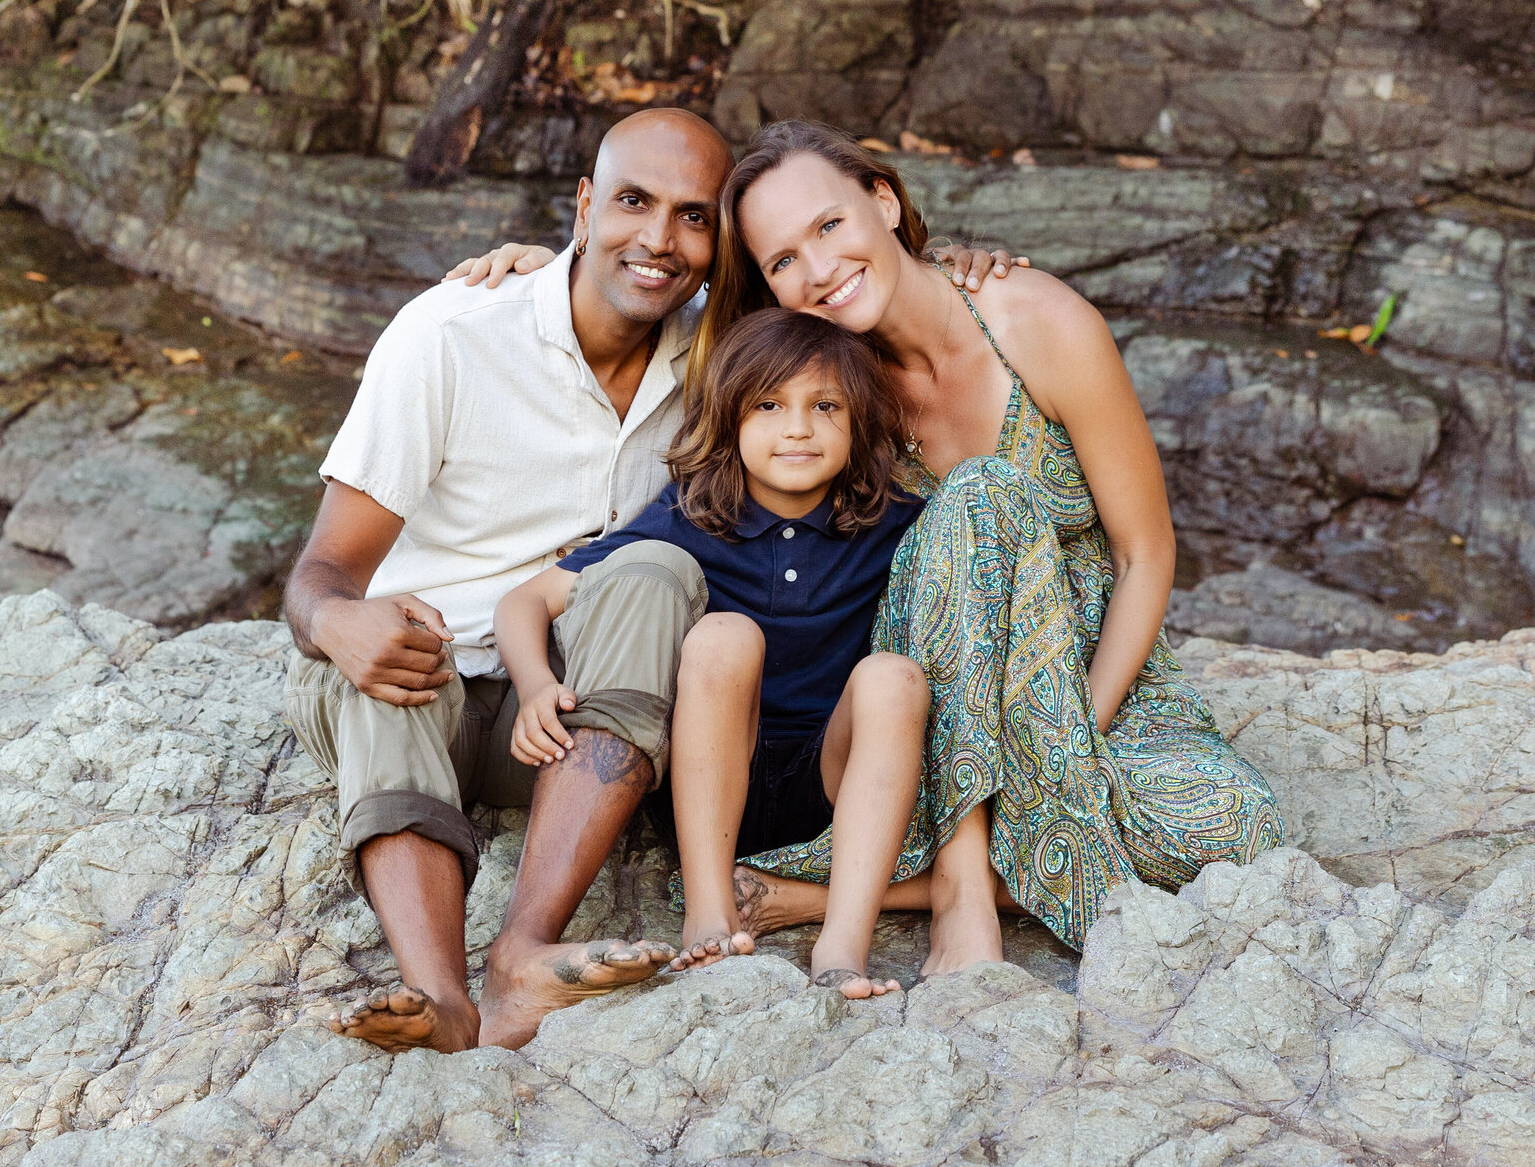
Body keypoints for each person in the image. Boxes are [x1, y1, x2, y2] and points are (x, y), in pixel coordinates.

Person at [469, 120, 1284, 977]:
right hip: (927, 695)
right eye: (783, 261)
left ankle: (822, 899)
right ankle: (962, 879)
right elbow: (658, 292)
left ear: (885, 200)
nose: (817, 270)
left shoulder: (1037, 322)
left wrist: (1068, 738)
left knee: (1236, 825)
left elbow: (1146, 553)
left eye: (830, 226)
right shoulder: (827, 382)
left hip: (1077, 676)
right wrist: (551, 267)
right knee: (982, 492)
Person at [282, 108, 732, 1054]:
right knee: (398, 642)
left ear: (720, 239)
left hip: (567, 721)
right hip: (424, 700)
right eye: (633, 203)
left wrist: (969, 269)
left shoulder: (722, 358)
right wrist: (338, 625)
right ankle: (438, 994)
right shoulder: (452, 333)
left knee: (656, 570)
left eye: (693, 216)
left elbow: (857, 284)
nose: (658, 240)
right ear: (582, 206)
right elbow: (319, 572)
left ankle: (524, 954)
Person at [495, 309, 929, 999]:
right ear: (729, 419)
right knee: (726, 636)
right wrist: (537, 682)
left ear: (860, 423)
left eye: (825, 407)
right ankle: (709, 913)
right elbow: (526, 601)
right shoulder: (693, 512)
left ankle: (842, 945)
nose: (798, 428)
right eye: (768, 405)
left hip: (832, 781)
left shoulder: (892, 519)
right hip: (708, 777)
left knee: (893, 678)